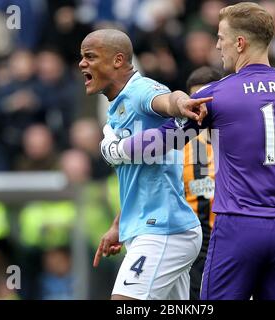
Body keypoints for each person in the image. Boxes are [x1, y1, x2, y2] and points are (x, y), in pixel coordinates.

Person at [101, 2, 275, 300]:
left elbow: (163, 142)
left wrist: (116, 147)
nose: (218, 46)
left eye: (221, 37)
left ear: (240, 42)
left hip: (237, 228)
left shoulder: (216, 94)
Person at [79, 29, 212, 300]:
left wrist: (181, 103)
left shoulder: (139, 91)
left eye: (90, 57)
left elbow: (166, 99)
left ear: (118, 60)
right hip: (155, 228)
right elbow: (141, 176)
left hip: (163, 230)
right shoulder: (116, 107)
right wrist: (119, 223)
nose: (82, 64)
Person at [183, 66, 222, 300]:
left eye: (205, 100)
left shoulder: (241, 139)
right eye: (194, 102)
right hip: (195, 247)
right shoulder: (181, 147)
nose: (200, 109)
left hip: (235, 240)